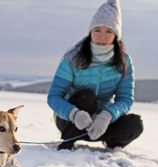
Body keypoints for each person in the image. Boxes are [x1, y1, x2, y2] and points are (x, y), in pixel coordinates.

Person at [47, 0, 143, 150]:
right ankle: (67, 143)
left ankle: (111, 145)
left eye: (109, 31)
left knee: (135, 124)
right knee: (87, 96)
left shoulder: (124, 61)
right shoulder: (73, 58)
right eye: (97, 30)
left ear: (116, 36)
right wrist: (74, 114)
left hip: (101, 125)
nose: (102, 36)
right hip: (72, 121)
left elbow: (125, 99)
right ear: (90, 32)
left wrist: (107, 116)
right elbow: (53, 97)